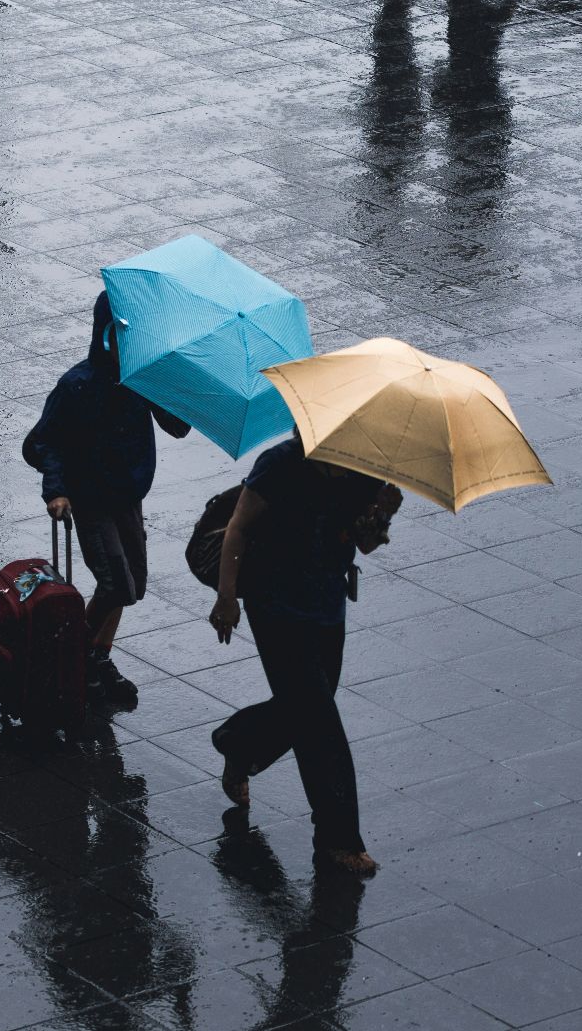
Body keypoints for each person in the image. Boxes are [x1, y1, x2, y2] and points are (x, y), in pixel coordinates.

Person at [206, 434, 401, 878]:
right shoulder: (279, 464)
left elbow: (364, 542)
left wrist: (383, 511)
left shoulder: (362, 468)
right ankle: (339, 838)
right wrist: (227, 595)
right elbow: (239, 527)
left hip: (326, 606)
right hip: (275, 606)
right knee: (320, 724)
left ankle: (239, 741)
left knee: (309, 705)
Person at [24, 293, 191, 706]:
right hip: (92, 501)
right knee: (116, 583)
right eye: (121, 335)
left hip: (128, 498)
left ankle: (96, 657)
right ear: (105, 334)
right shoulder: (77, 386)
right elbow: (41, 443)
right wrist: (57, 489)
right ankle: (72, 657)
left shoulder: (142, 379)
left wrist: (174, 385)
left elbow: (178, 427)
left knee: (131, 586)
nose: (128, 345)